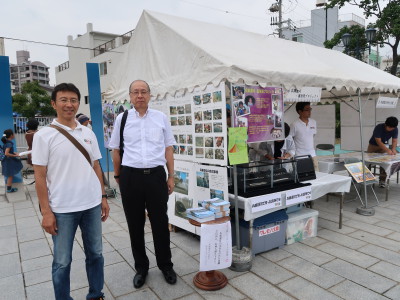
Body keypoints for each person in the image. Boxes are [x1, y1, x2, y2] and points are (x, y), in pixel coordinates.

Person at [32, 83, 109, 300]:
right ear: (54, 103)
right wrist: (46, 212)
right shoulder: (44, 136)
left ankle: (96, 294)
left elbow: (95, 166)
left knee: (96, 254)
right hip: (62, 209)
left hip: (92, 205)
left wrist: (102, 197)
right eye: (64, 100)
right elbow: (39, 176)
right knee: (62, 261)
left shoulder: (88, 132)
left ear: (78, 103)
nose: (69, 104)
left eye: (73, 100)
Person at [109, 80, 177, 289]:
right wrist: (119, 177)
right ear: (129, 96)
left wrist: (171, 176)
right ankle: (141, 268)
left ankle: (166, 265)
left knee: (160, 223)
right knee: (135, 224)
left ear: (150, 95)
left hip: (156, 175)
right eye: (136, 92)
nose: (140, 95)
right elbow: (116, 150)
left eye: (143, 92)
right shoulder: (122, 118)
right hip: (131, 176)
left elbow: (168, 149)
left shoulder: (161, 118)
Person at [367, 116, 399, 187]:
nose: (391, 129)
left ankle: (382, 181)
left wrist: (393, 149)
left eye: (393, 128)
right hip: (373, 146)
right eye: (389, 127)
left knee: (385, 161)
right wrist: (388, 150)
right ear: (385, 124)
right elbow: (378, 141)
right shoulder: (379, 127)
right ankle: (366, 178)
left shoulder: (395, 129)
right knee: (368, 162)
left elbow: (394, 140)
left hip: (383, 146)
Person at [290, 102, 317, 170]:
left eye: (310, 109)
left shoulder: (313, 122)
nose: (309, 112)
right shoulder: (294, 124)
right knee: (303, 177)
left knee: (317, 174)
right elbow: (290, 140)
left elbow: (312, 135)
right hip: (300, 156)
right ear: (300, 111)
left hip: (312, 154)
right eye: (307, 109)